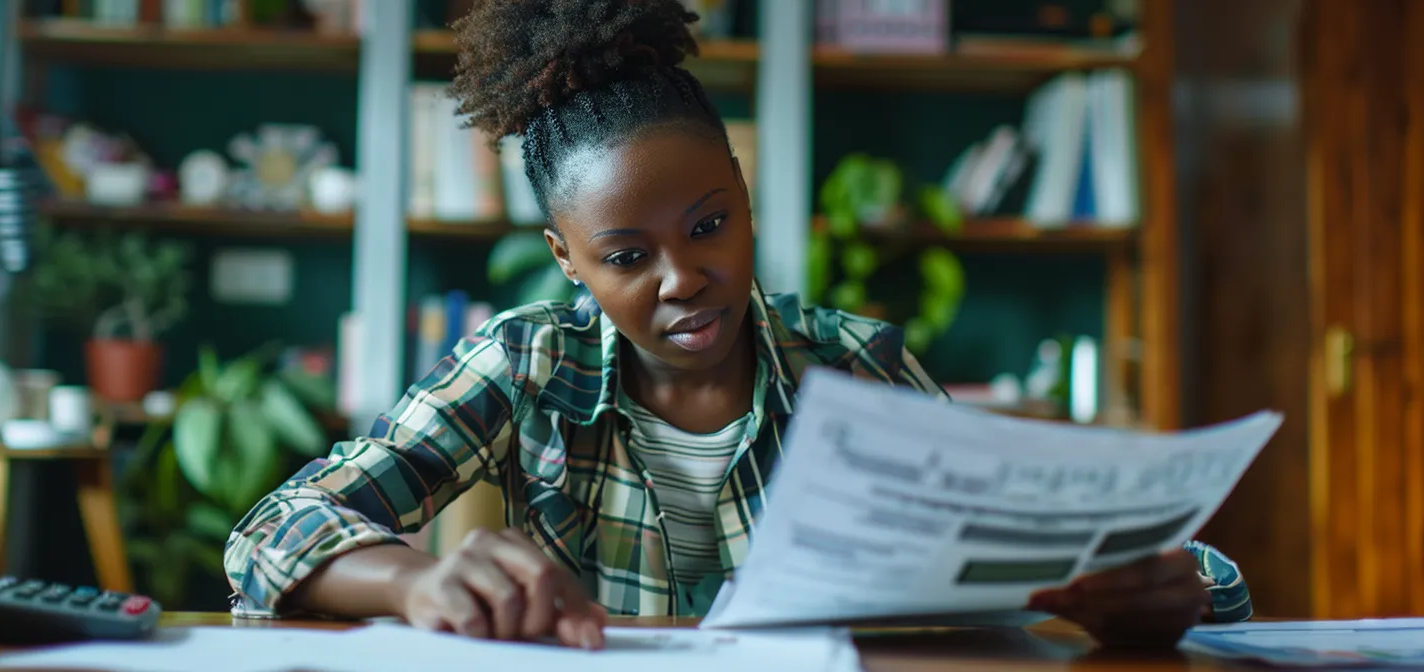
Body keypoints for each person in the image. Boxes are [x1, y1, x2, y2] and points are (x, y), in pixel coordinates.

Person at [222, 0, 1251, 651]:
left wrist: (1152, 590)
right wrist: (419, 581)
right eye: (626, 257)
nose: (684, 280)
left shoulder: (850, 363)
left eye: (710, 224)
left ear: (745, 197)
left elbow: (1101, 567)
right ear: (567, 260)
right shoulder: (527, 360)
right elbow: (270, 534)